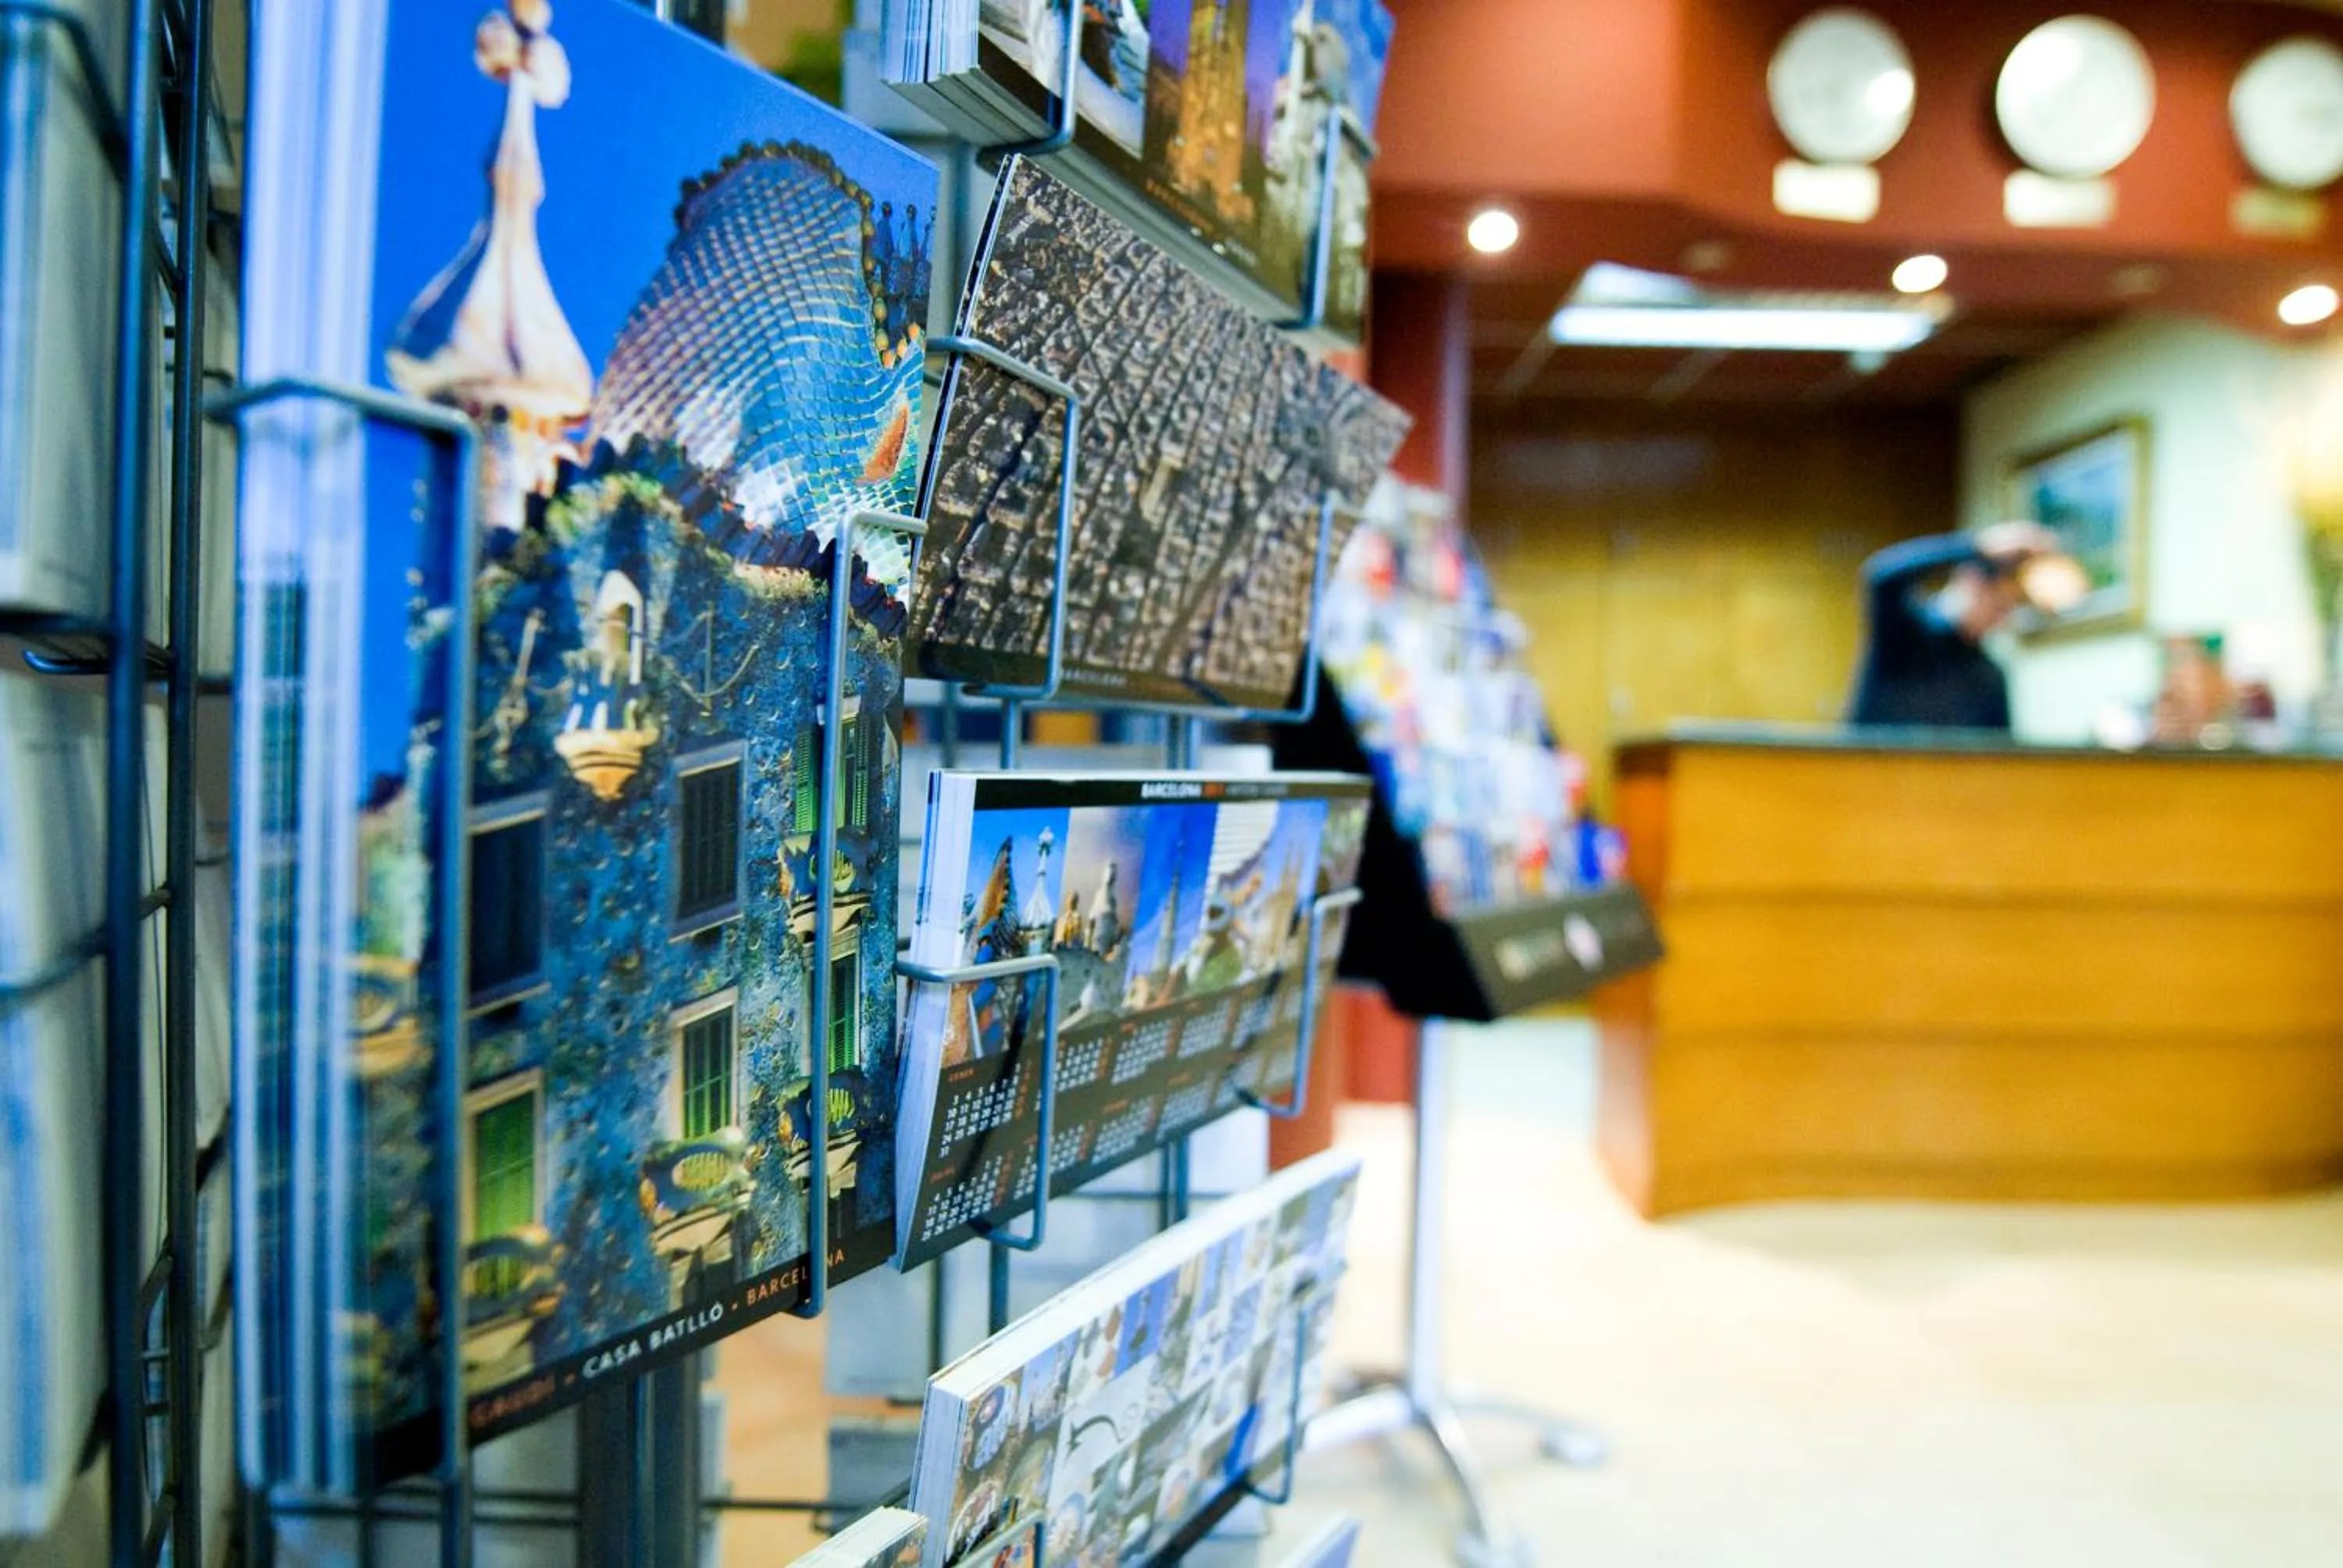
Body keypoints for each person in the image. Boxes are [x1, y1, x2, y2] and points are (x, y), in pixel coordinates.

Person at [1847, 522, 2062, 731]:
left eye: (2008, 609)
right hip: (1870, 764)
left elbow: (2000, 751)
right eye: (1998, 604)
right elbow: (1881, 576)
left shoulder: (1989, 675)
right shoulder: (1905, 634)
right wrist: (1977, 546)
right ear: (1970, 582)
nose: (2000, 619)